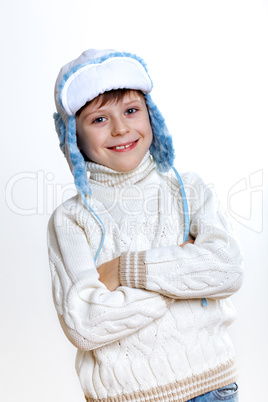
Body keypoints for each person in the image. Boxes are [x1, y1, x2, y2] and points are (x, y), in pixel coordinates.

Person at [48, 48, 243, 402]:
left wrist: (125, 269)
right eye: (99, 119)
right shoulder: (71, 220)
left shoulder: (188, 190)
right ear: (73, 138)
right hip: (126, 396)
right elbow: (85, 323)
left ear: (152, 116)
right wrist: (182, 273)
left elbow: (227, 271)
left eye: (131, 111)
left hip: (212, 388)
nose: (121, 128)